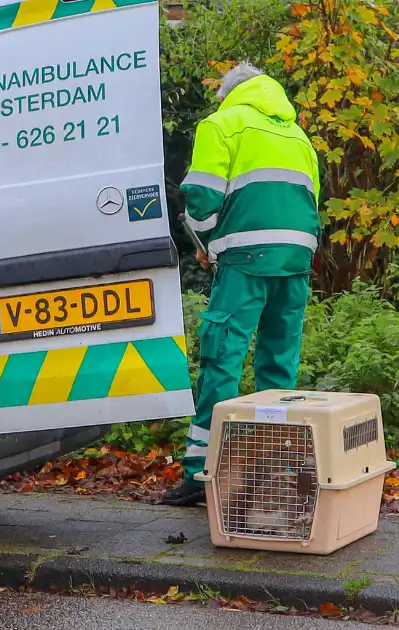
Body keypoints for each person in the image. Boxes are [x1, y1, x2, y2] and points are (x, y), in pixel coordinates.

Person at [162, 62, 321, 507]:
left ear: (229, 94)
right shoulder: (298, 136)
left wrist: (205, 241)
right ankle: (275, 473)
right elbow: (311, 199)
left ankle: (202, 473)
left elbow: (203, 199)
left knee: (222, 360)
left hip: (246, 260)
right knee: (279, 368)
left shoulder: (221, 123)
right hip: (296, 259)